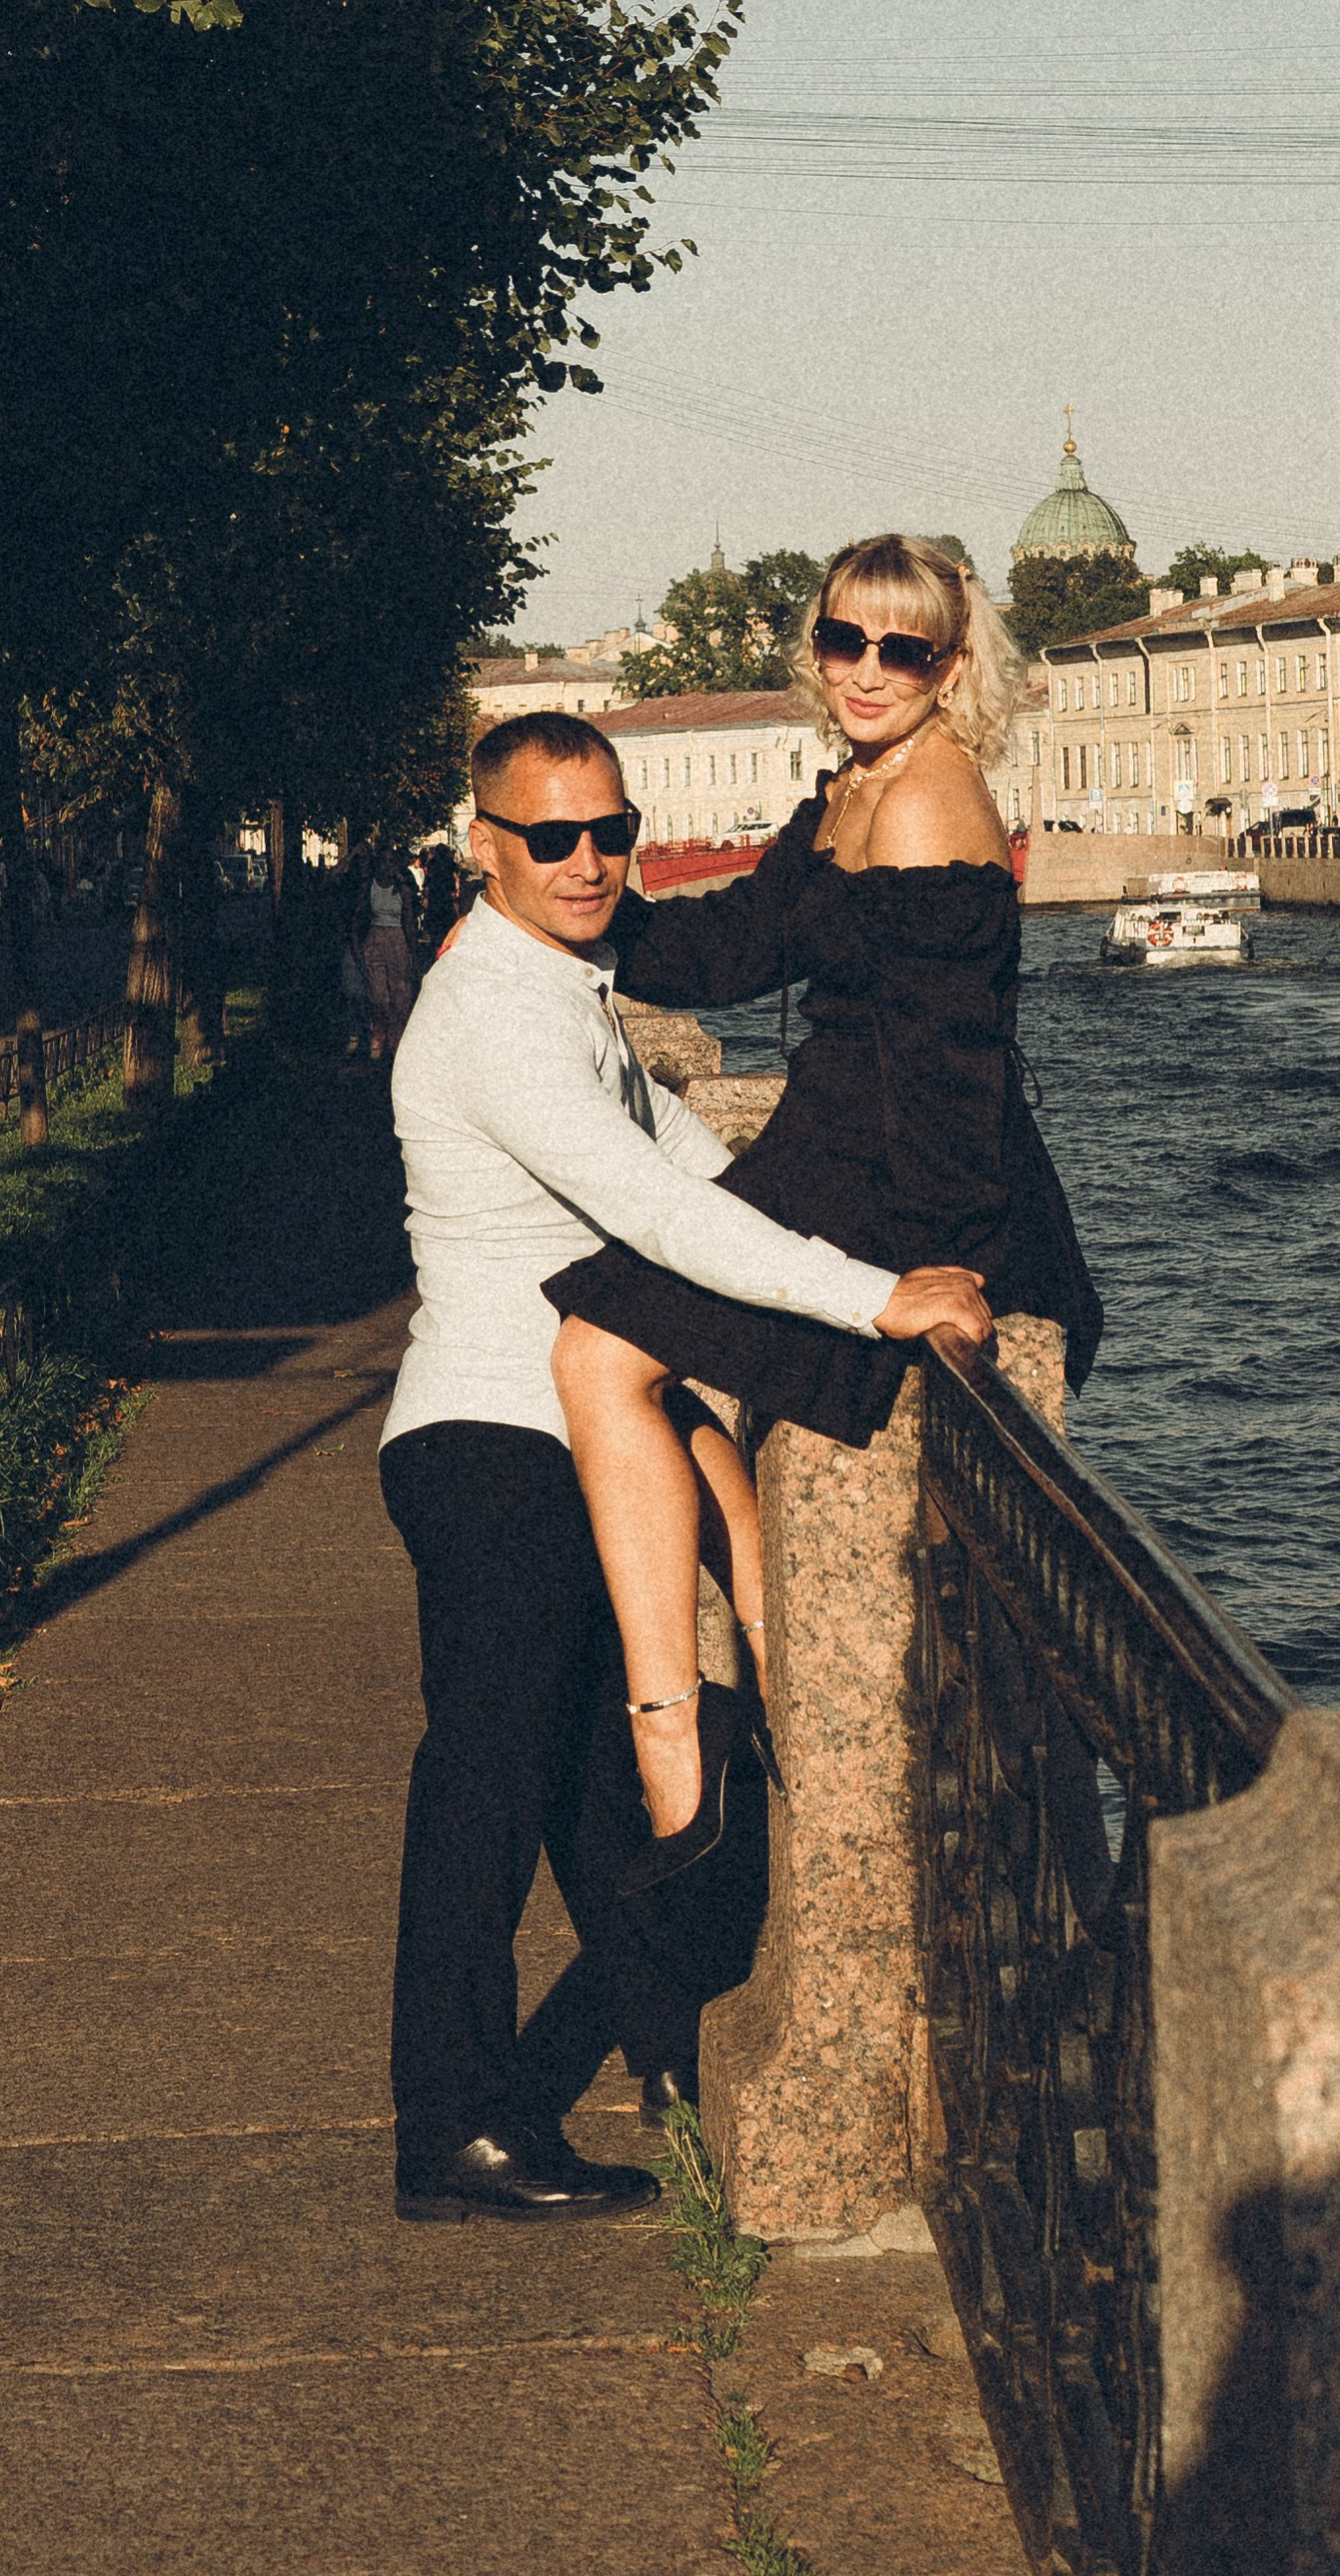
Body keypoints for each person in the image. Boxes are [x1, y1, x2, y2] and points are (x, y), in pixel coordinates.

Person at [378, 708, 991, 2225]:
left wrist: (893, 1231)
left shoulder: (556, 983)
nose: (591, 864)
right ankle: (449, 2126)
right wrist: (869, 1301)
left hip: (550, 1435)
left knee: (593, 1786)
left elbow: (705, 1166)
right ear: (484, 847)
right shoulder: (498, 1018)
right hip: (493, 1440)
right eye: (551, 838)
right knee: (487, 1789)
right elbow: (659, 1216)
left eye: (612, 833)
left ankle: (668, 2052)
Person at [549, 534, 1101, 1872]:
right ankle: (745, 1639)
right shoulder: (853, 784)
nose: (865, 670)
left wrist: (922, 1275)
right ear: (817, 646)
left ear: (952, 666)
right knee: (622, 1354)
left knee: (601, 1352)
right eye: (845, 640)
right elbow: (737, 944)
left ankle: (682, 1730)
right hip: (830, 1146)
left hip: (906, 1180)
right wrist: (567, 903)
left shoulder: (926, 803)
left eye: (901, 648)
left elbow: (952, 1066)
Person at [361, 844, 417, 1064]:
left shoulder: (402, 890)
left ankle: (396, 1043)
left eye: (391, 862)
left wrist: (413, 953)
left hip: (397, 941)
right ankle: (378, 1035)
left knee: (399, 996)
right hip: (375, 939)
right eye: (383, 861)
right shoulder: (370, 887)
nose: (386, 866)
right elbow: (360, 916)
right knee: (378, 996)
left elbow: (409, 922)